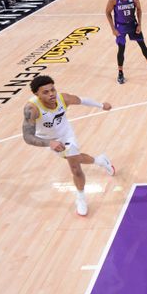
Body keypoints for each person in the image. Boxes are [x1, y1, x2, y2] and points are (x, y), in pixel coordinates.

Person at [21, 75, 115, 216]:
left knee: (75, 168)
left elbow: (82, 100)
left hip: (66, 135)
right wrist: (49, 143)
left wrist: (101, 105)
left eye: (52, 89)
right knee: (76, 159)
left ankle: (81, 198)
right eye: (45, 92)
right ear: (36, 94)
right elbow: (27, 137)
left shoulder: (63, 98)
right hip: (48, 140)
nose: (51, 94)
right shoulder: (31, 109)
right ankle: (100, 160)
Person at [105, 0, 147, 85]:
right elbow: (107, 13)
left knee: (142, 44)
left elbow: (139, 10)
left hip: (132, 24)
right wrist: (113, 29)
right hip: (120, 26)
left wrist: (139, 24)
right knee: (121, 49)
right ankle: (120, 72)